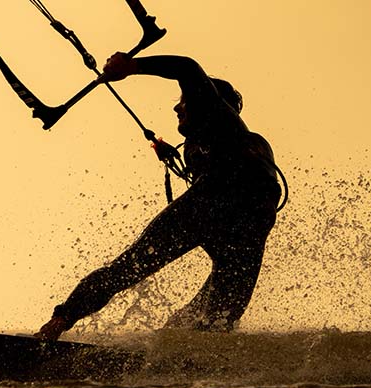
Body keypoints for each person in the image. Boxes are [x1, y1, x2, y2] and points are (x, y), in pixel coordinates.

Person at [35, 52, 282, 340]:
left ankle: (57, 324)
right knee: (218, 317)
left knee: (128, 267)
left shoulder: (214, 111)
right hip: (250, 225)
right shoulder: (228, 139)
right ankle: (177, 353)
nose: (177, 108)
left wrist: (132, 66)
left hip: (219, 203)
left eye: (183, 101)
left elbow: (186, 67)